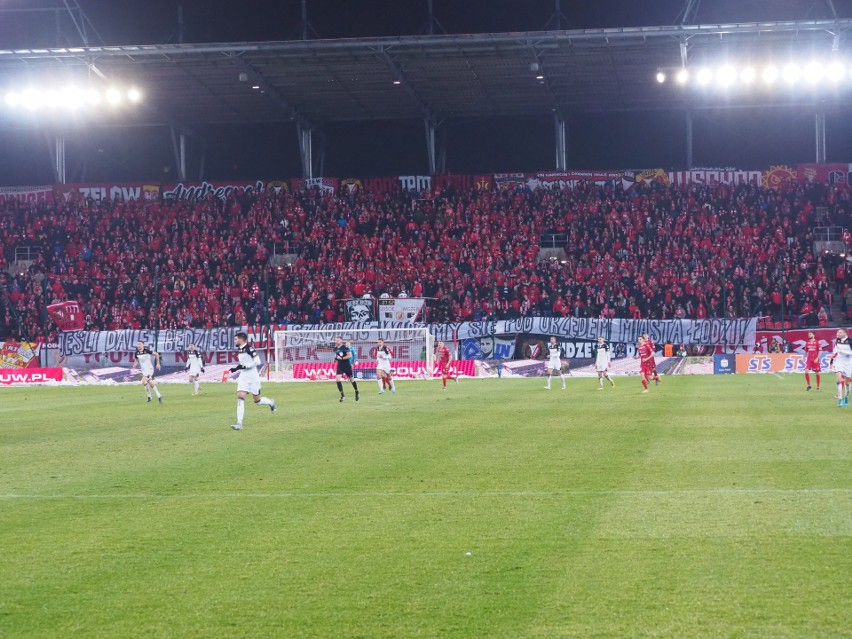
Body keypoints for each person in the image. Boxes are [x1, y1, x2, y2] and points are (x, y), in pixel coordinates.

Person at [229, 332, 276, 430]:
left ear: (241, 339)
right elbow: (243, 363)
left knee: (257, 401)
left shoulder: (249, 349)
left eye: (236, 339)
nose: (235, 341)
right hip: (243, 377)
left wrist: (245, 366)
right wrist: (237, 368)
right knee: (240, 397)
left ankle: (271, 402)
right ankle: (239, 423)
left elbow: (257, 362)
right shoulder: (240, 349)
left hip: (253, 377)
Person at [829, 328, 852, 408]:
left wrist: (844, 352)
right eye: (837, 332)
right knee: (838, 380)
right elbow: (835, 350)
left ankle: (846, 397)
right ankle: (840, 399)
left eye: (840, 332)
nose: (837, 333)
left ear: (845, 333)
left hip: (848, 363)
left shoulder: (850, 341)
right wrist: (831, 360)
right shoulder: (837, 340)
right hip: (839, 361)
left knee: (847, 383)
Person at [334, 336, 359, 402]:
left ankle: (356, 391)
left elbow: (350, 356)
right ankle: (342, 395)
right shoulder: (335, 348)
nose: (337, 341)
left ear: (341, 341)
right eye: (336, 340)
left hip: (347, 366)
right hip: (340, 366)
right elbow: (337, 356)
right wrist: (336, 359)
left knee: (351, 379)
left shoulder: (345, 348)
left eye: (338, 340)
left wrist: (341, 358)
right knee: (337, 380)